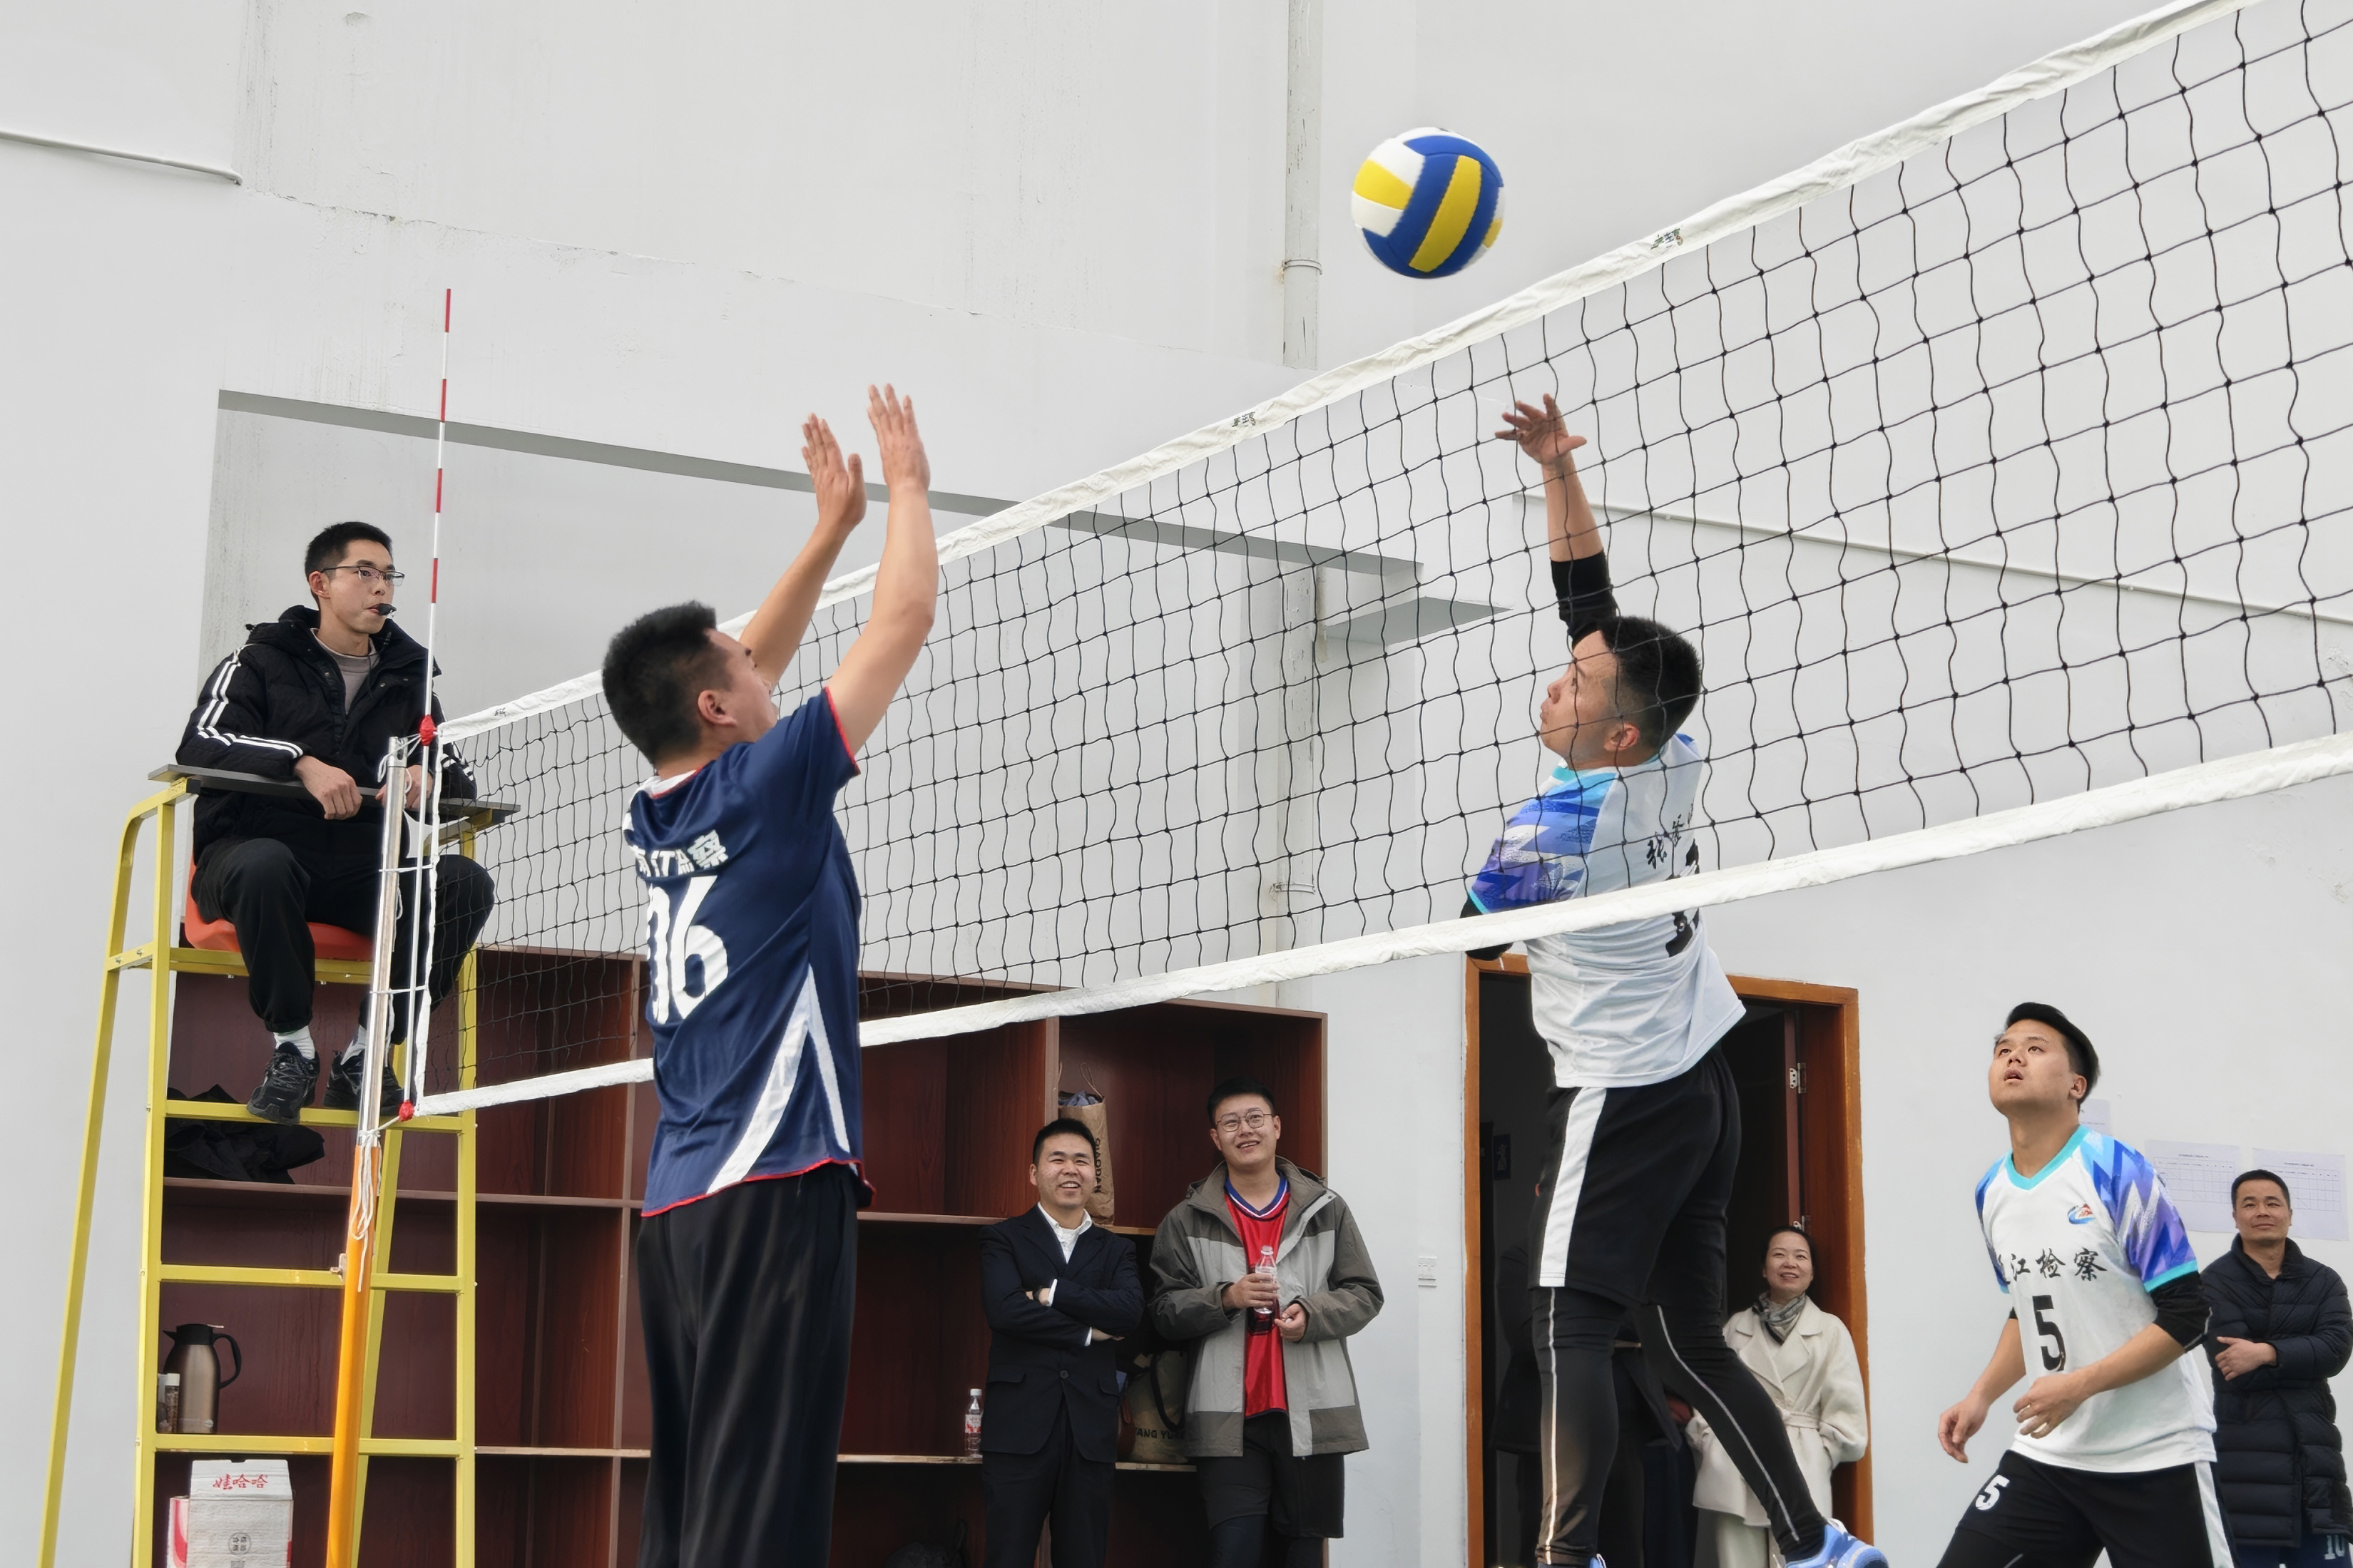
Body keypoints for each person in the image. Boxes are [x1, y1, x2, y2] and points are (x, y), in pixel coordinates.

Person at [1476, 396, 1882, 1568]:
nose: (1552, 686)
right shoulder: (1672, 750)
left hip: (1618, 1089)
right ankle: (1813, 1542)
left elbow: (1470, 941)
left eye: (1571, 687)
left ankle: (1563, 1554)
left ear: (1615, 734)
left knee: (1564, 1319)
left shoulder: (1553, 825)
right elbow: (1591, 608)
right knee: (1685, 1338)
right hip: (1703, 1081)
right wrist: (1556, 472)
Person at [609, 387, 937, 1568]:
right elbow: (903, 616)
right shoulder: (769, 784)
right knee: (759, 1513)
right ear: (715, 708)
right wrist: (908, 486)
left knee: (698, 1497)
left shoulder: (657, 806)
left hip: (679, 1206)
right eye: (746, 667)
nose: (767, 668)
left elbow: (742, 658)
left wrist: (829, 529)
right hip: (775, 1178)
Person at [176, 520, 494, 1122]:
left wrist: (428, 780)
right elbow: (202, 743)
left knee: (462, 882)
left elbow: (457, 777)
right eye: (365, 573)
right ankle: (292, 1050)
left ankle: (365, 1054)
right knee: (265, 863)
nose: (382, 588)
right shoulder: (256, 661)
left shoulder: (412, 682)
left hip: (361, 872)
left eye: (389, 576)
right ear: (319, 583)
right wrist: (300, 763)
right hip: (252, 858)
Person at [1933, 1003, 2227, 1568]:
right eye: (2002, 1048)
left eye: (2034, 1047)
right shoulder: (1991, 1190)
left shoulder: (2118, 1170)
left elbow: (2188, 1315)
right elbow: (2028, 1307)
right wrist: (1980, 1396)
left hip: (2154, 1453)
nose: (2013, 1056)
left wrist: (2079, 1385)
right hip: (2048, 1456)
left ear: (2076, 1085)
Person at [1149, 1076, 1384, 1567]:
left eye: (1255, 1118)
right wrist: (1226, 1297)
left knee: (1302, 1556)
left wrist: (1312, 1314)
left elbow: (1365, 1294)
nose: (1245, 1130)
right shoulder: (1185, 1219)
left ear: (1277, 1126)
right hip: (1227, 1420)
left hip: (1312, 1416)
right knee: (1233, 1553)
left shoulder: (1327, 1209)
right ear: (1215, 1137)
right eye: (1230, 1122)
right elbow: (1164, 1312)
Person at [976, 1118, 1143, 1568]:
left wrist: (1053, 1295)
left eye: (1082, 1161)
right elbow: (1006, 1311)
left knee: (1084, 1558)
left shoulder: (1117, 1250)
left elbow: (1128, 1312)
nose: (1071, 1169)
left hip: (1091, 1431)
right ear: (1034, 1173)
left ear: (1095, 1175)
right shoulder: (1003, 1238)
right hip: (1018, 1429)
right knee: (1007, 1557)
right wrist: (1088, 1331)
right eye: (1058, 1159)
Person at [1688, 1226, 1867, 1568]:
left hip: (1802, 1466)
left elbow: (1847, 1413)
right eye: (1779, 1254)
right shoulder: (1736, 1327)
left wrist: (1819, 1453)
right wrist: (1712, 1442)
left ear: (1812, 1271)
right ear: (1764, 1268)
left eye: (1801, 1256)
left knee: (1798, 1561)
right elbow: (1707, 1395)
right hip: (1736, 1465)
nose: (1790, 1263)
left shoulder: (1830, 1330)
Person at [2203, 1169, 2352, 1568]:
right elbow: (2235, 1365)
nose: (2262, 1211)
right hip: (2245, 1461)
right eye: (2249, 1204)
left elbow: (2337, 1350)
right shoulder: (2214, 1282)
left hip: (2315, 1461)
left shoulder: (2324, 1280)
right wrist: (2303, 1355)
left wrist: (2267, 1352)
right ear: (2235, 1216)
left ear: (2289, 1213)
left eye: (2272, 1203)